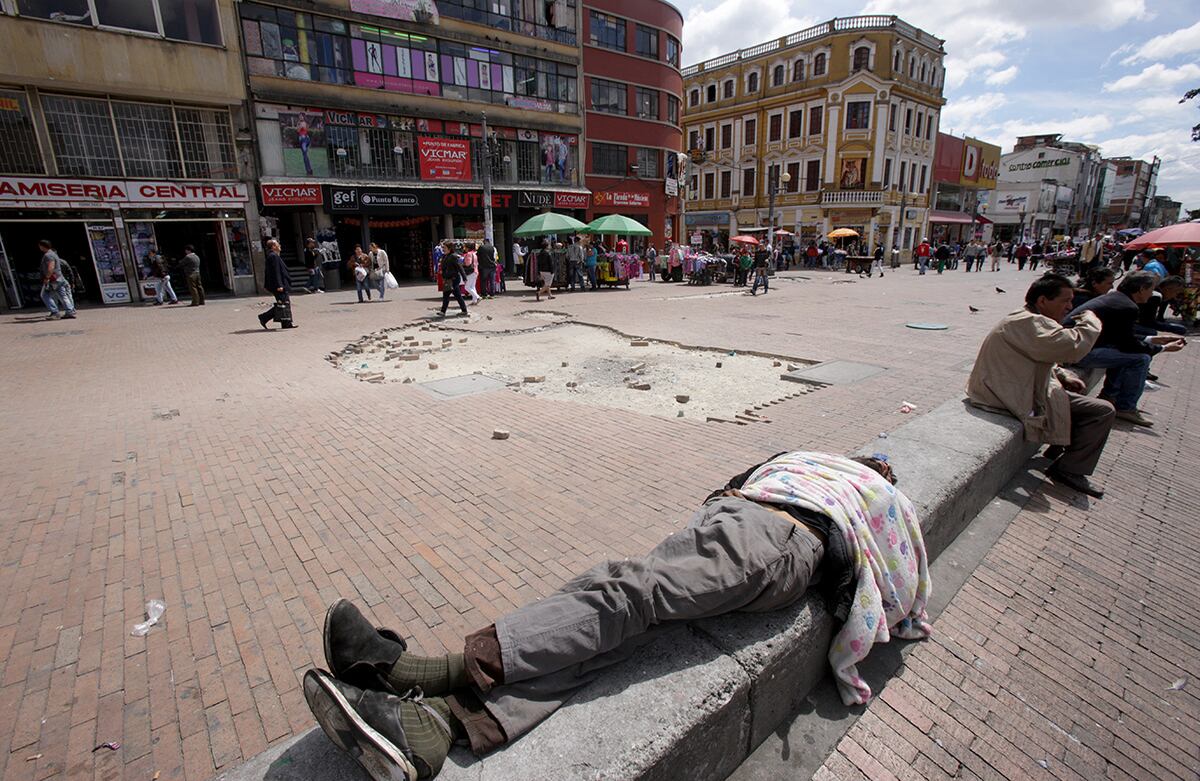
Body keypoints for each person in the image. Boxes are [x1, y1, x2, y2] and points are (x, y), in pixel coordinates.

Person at [303, 453, 928, 781]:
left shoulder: (872, 493)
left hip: (776, 538)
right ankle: (437, 728)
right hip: (737, 524)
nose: (878, 467)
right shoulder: (812, 462)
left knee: (627, 591)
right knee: (627, 621)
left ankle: (422, 671)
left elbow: (903, 571)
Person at [967, 274, 1113, 498]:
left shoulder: (1029, 320)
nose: (1069, 307)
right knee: (1102, 411)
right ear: (1043, 300)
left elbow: (1043, 356)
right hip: (1002, 394)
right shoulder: (1028, 322)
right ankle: (1071, 468)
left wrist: (1062, 374)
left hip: (1017, 387)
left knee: (1077, 402)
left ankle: (1062, 450)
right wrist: (1091, 320)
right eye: (1064, 301)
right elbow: (1073, 347)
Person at [1066, 271, 1186, 427]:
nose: (1151, 295)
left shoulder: (1116, 299)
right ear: (1141, 289)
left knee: (1127, 356)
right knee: (1140, 359)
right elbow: (1127, 344)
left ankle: (1110, 397)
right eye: (1150, 290)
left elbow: (1118, 336)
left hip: (1077, 347)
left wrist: (1151, 340)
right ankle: (1126, 407)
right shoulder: (1127, 306)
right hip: (1077, 351)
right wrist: (1162, 348)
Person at [259, 239, 297, 330]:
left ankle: (286, 323)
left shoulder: (274, 256)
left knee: (284, 303)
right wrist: (279, 285)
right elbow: (276, 272)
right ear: (273, 247)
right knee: (282, 304)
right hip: (278, 286)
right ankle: (264, 317)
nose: (279, 245)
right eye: (277, 244)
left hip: (279, 285)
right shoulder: (273, 256)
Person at [38, 239, 77, 320]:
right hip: (59, 278)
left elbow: (51, 267)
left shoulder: (48, 255)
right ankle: (70, 311)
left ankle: (54, 312)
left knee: (45, 295)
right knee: (63, 295)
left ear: (42, 246)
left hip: (53, 280)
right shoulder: (53, 254)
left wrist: (47, 278)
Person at [437, 244, 469, 317]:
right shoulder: (445, 256)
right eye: (443, 248)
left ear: (449, 248)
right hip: (447, 279)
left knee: (454, 295)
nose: (443, 249)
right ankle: (443, 311)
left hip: (453, 279)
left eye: (444, 248)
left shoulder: (454, 256)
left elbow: (460, 267)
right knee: (447, 295)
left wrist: (464, 277)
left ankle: (463, 310)